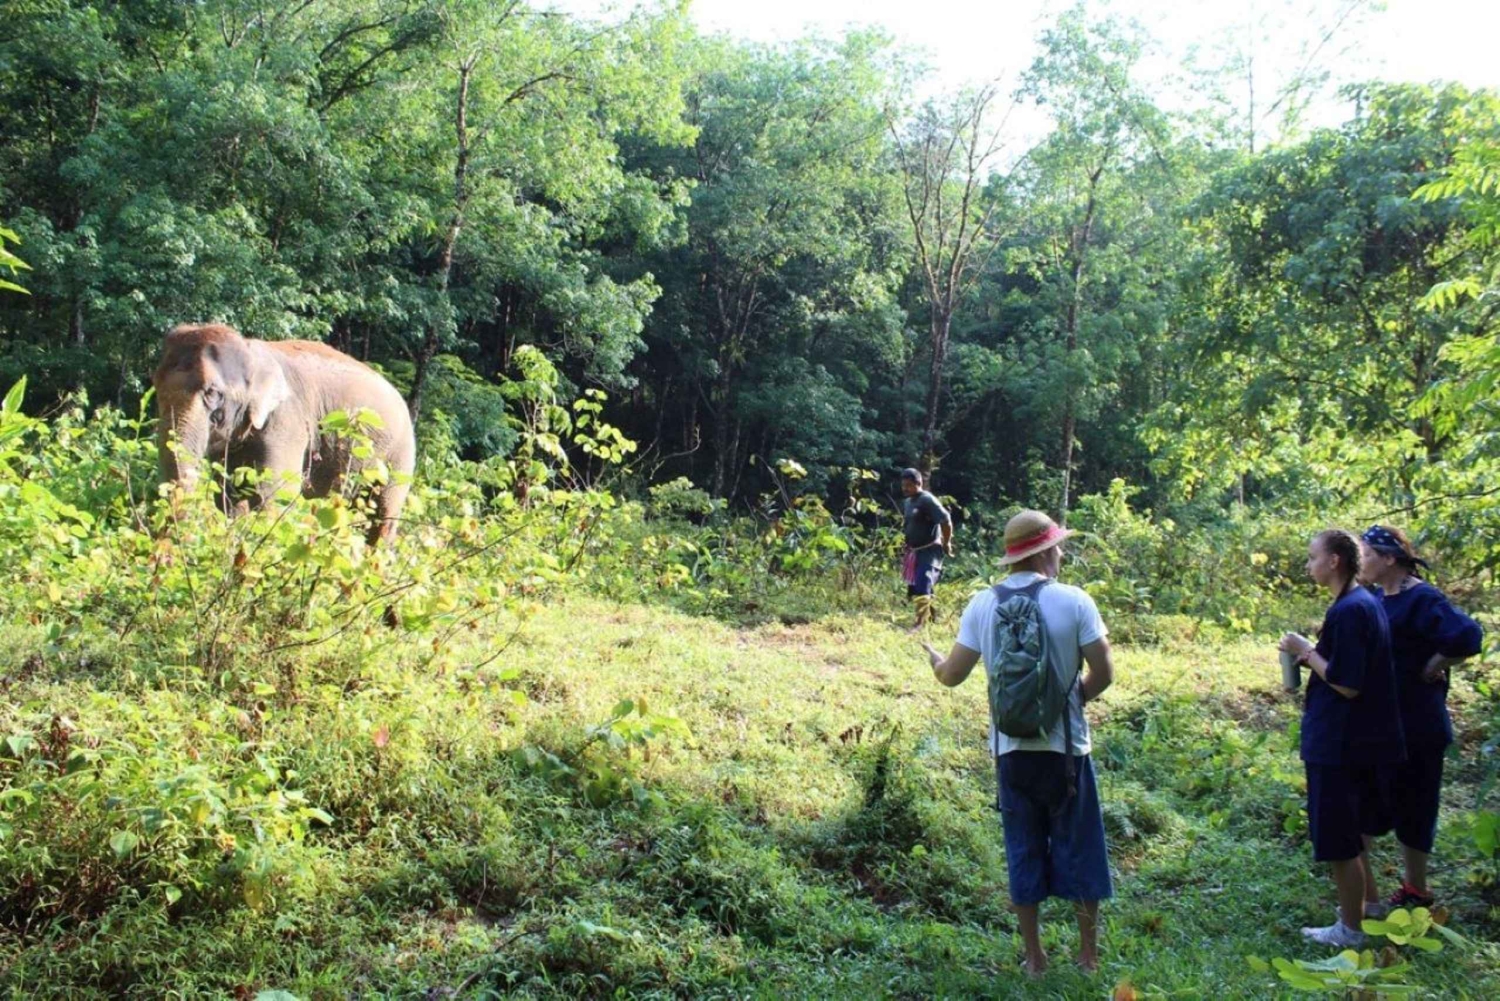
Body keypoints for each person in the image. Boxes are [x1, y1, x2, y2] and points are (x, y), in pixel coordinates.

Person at [922, 510, 1115, 975]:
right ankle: (1088, 957)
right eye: (1059, 546)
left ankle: (1034, 958)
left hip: (1011, 753)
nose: (1062, 552)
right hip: (1068, 752)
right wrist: (1068, 706)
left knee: (1023, 848)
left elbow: (952, 676)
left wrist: (933, 660)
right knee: (1080, 846)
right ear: (1046, 551)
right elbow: (1104, 673)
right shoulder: (1075, 601)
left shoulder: (981, 604)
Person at [1279, 529, 1406, 948]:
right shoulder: (1361, 603)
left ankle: (1350, 930)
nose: (1308, 564)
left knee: (1339, 839)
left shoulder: (1351, 610)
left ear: (1334, 561)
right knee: (1351, 832)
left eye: (1312, 557)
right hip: (1357, 740)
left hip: (1340, 744)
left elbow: (1348, 684)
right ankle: (1367, 906)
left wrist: (1305, 651)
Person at [1357, 525, 1483, 913]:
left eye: (1365, 554)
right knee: (1365, 804)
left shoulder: (1421, 598)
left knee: (1415, 806)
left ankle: (1416, 890)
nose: (1360, 562)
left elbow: (1467, 635)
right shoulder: (1376, 597)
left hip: (1417, 725)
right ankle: (1365, 895)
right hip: (1380, 723)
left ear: (1389, 558)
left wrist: (1437, 661)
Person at [900, 468, 953, 630]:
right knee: (918, 585)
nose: (905, 489)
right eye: (903, 485)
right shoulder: (908, 502)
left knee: (923, 583)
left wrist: (947, 542)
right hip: (914, 550)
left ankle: (919, 624)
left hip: (930, 550)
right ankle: (931, 618)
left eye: (909, 485)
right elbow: (909, 524)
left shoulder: (927, 500)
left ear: (919, 483)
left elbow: (946, 520)